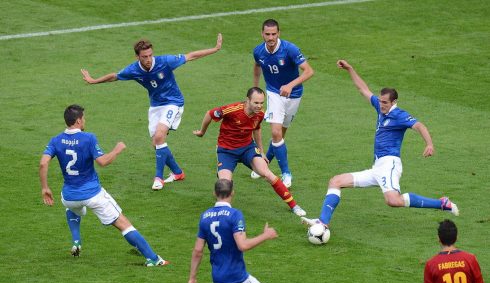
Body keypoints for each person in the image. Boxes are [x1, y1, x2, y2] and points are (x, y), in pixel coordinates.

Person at [301, 59, 459, 232]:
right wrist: (350, 69)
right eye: (380, 101)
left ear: (394, 102)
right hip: (377, 167)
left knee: (393, 201)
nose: (381, 105)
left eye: (385, 102)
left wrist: (429, 144)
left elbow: (419, 126)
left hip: (389, 164)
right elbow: (363, 89)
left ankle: (441, 203)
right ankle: (323, 222)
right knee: (336, 181)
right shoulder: (380, 107)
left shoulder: (399, 115)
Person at [81, 34, 222, 190]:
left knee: (160, 135)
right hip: (156, 106)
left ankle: (158, 178)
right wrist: (94, 80)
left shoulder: (165, 62)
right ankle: (177, 172)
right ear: (137, 57)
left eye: (150, 55)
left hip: (173, 103)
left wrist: (215, 49)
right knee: (156, 144)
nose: (148, 59)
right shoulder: (133, 70)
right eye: (144, 56)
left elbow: (190, 56)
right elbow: (114, 76)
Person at [39, 104, 169, 267]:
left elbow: (43, 163)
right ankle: (154, 259)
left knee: (72, 208)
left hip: (69, 196)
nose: (85, 120)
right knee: (123, 224)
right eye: (83, 118)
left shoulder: (56, 140)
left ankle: (76, 241)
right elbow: (103, 162)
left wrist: (45, 188)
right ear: (78, 121)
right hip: (93, 195)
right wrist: (117, 150)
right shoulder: (88, 138)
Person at [193, 87, 306, 217]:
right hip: (227, 151)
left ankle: (294, 206)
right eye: (256, 103)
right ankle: (224, 211)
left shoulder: (260, 114)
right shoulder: (232, 109)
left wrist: (262, 152)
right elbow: (210, 114)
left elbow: (256, 129)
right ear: (248, 100)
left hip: (247, 148)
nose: (259, 106)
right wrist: (202, 132)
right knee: (225, 185)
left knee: (267, 173)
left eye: (262, 103)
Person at [250, 18, 314, 188]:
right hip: (274, 93)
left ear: (279, 33)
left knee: (280, 135)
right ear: (262, 34)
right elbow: (257, 67)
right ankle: (286, 173)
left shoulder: (289, 49)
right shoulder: (258, 51)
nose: (270, 38)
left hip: (294, 94)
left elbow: (309, 71)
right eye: (267, 34)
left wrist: (291, 85)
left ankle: (264, 162)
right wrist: (255, 91)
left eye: (273, 34)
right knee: (276, 132)